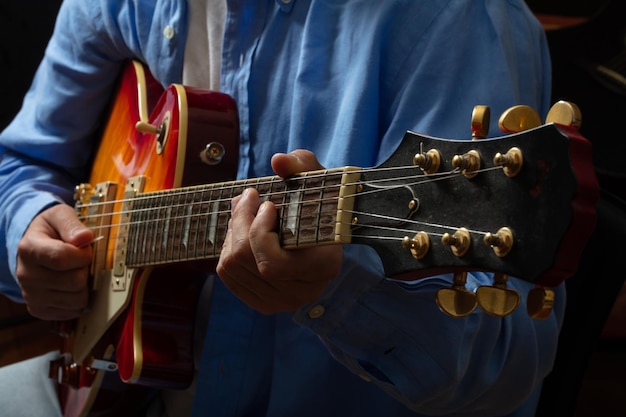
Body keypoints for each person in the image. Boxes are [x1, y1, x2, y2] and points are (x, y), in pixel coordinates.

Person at [0, 0, 563, 416]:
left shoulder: (455, 19)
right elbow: (20, 164)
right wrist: (27, 229)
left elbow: (502, 371)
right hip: (108, 389)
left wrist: (335, 294)